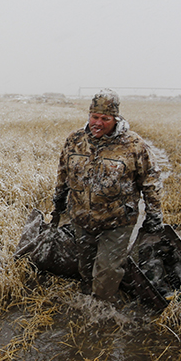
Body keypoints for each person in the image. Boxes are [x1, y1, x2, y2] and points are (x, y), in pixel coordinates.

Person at [50, 89, 163, 301]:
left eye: (105, 118)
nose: (98, 123)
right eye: (94, 117)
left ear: (115, 118)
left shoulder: (134, 145)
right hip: (82, 218)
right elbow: (63, 173)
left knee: (106, 276)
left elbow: (150, 181)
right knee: (85, 272)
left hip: (117, 222)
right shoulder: (75, 140)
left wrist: (154, 213)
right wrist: (58, 200)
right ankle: (88, 305)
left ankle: (104, 310)